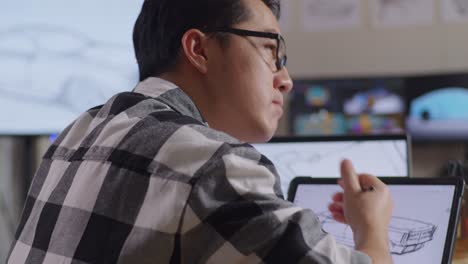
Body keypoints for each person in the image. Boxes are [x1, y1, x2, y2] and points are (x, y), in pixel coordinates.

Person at [8, 0, 393, 263]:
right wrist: (370, 226)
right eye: (269, 49)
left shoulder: (79, 134)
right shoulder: (210, 164)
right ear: (199, 50)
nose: (285, 79)